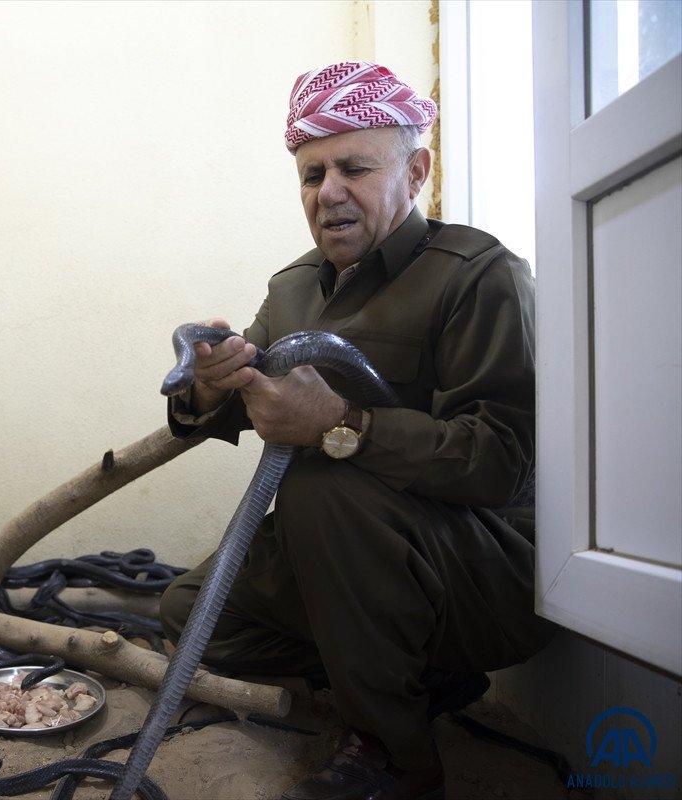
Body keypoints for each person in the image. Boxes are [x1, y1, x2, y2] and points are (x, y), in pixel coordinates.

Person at [159, 61, 556, 800]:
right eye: (312, 174)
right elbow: (242, 397)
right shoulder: (294, 286)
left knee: (320, 491)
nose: (328, 192)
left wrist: (345, 426)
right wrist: (206, 387)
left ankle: (393, 753)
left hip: (479, 568)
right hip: (358, 557)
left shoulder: (479, 276)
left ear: (418, 170)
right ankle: (411, 678)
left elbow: (502, 464)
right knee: (193, 610)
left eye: (353, 167)